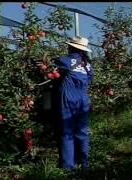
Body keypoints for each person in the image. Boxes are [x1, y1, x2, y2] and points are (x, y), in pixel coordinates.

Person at [51, 36, 94, 170]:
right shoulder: (87, 65)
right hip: (83, 99)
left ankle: (68, 166)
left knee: (67, 130)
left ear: (71, 47)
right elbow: (89, 79)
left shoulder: (65, 60)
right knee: (82, 130)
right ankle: (84, 163)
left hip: (68, 97)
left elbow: (52, 63)